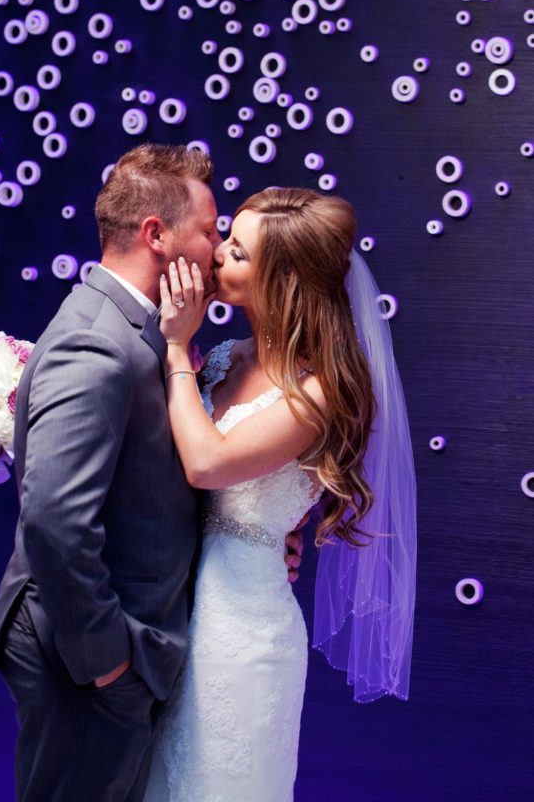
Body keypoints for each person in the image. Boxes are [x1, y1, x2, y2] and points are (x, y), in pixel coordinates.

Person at [0, 145, 304, 802]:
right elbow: (54, 520)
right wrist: (107, 663)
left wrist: (259, 531)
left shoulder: (150, 329)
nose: (216, 250)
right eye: (210, 230)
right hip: (88, 655)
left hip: (154, 642)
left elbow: (163, 474)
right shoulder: (98, 341)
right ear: (157, 236)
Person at [144, 187, 416, 802]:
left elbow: (208, 464)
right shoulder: (223, 359)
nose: (216, 257)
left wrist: (174, 347)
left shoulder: (317, 392)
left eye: (237, 253)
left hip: (242, 630)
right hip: (171, 612)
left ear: (282, 283)